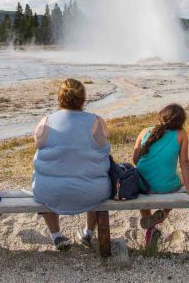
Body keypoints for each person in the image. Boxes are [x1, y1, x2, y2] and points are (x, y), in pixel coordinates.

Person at [32, 78, 111, 250]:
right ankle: (88, 233)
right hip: (91, 191)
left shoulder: (45, 122)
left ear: (59, 99)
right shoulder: (97, 121)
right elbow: (105, 146)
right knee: (93, 174)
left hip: (50, 192)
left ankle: (56, 235)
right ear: (84, 99)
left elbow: (37, 146)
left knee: (43, 177)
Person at [132, 104, 189, 250]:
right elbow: (184, 162)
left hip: (142, 185)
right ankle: (163, 213)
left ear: (161, 115)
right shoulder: (181, 134)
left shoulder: (145, 131)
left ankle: (148, 222)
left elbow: (135, 160)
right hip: (165, 187)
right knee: (181, 183)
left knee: (142, 187)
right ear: (181, 122)